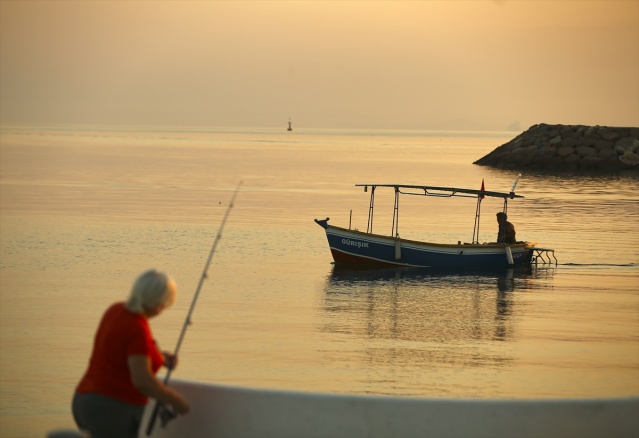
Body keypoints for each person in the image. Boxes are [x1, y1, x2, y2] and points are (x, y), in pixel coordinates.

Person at [72, 269, 190, 438]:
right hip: (113, 409)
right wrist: (176, 401)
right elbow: (142, 381)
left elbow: (121, 353)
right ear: (159, 305)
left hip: (84, 400)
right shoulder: (137, 328)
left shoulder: (115, 310)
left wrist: (161, 358)